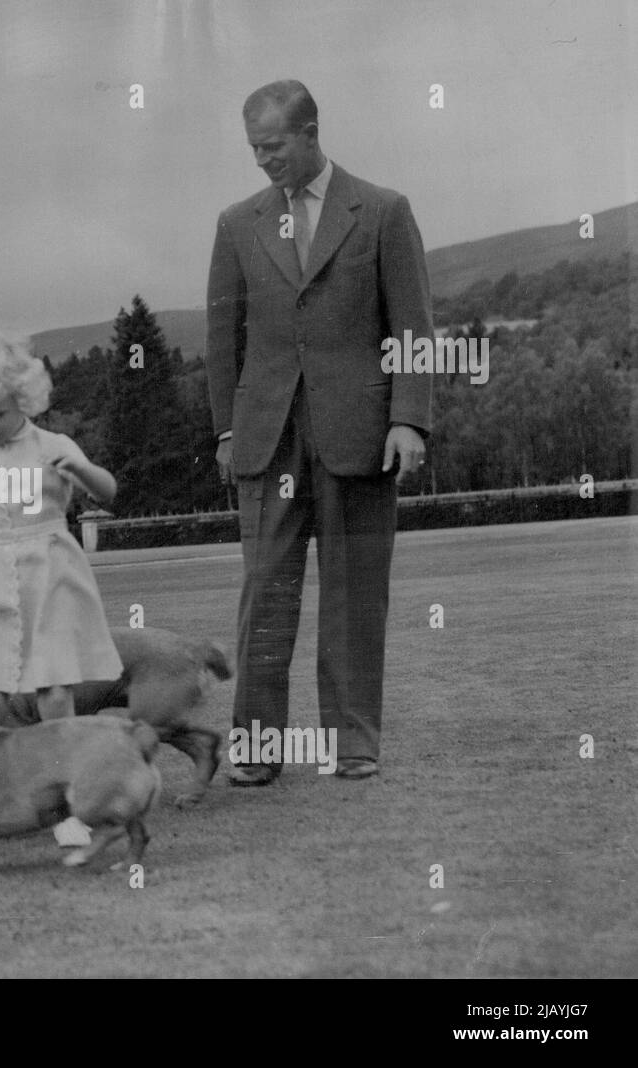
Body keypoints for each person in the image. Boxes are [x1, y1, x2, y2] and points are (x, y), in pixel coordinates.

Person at [204, 80, 433, 784]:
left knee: (356, 593)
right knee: (264, 591)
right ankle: (258, 749)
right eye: (254, 150)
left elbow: (413, 328)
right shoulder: (237, 223)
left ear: (309, 132)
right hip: (266, 435)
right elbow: (222, 339)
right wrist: (223, 433)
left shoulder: (384, 211)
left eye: (273, 147)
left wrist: (408, 419)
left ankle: (354, 743)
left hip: (361, 433)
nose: (263, 162)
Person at [0, 332, 123, 846]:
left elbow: (108, 491)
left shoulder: (54, 446)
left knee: (54, 688)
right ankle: (25, 768)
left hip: (50, 573)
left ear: (24, 400)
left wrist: (84, 471)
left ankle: (64, 805)